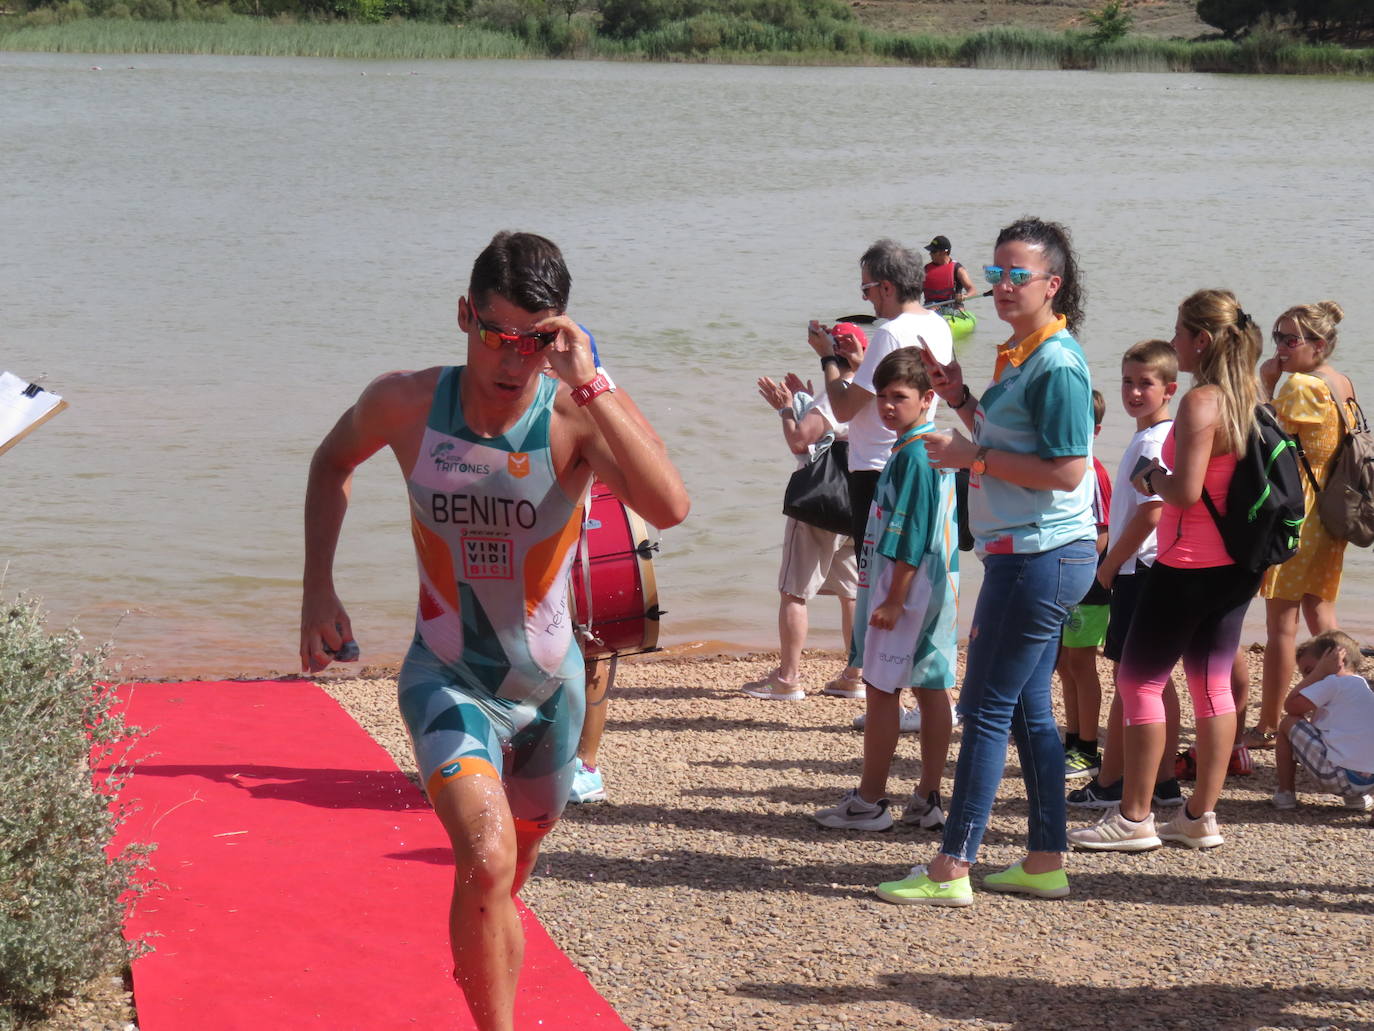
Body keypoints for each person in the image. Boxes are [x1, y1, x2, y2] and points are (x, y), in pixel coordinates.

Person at [299, 231, 689, 1031]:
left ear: (560, 334)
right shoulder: (405, 404)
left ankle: (477, 969)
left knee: (503, 880)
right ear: (464, 315)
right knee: (484, 857)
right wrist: (317, 590)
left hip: (552, 695)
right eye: (497, 336)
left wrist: (593, 382)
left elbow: (670, 506)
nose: (513, 360)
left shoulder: (577, 418)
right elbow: (331, 462)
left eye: (535, 341)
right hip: (447, 676)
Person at [877, 216, 1096, 906]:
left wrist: (971, 456)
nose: (1000, 287)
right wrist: (962, 400)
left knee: (984, 705)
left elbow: (1066, 471)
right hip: (1024, 553)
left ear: (1051, 284)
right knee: (1029, 707)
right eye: (995, 274)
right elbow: (1014, 444)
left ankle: (952, 865)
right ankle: (1043, 858)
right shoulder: (1022, 353)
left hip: (1041, 555)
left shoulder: (1057, 362)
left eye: (1016, 275)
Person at [1069, 289, 1263, 854]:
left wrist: (1150, 478)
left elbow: (1186, 490)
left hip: (1187, 564)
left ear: (1200, 341)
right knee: (1210, 686)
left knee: (1138, 682)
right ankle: (1200, 816)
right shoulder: (1249, 395)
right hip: (1235, 567)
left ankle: (1133, 818)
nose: (1174, 340)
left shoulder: (1203, 401)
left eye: (1179, 332)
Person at [808, 239, 955, 727]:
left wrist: (830, 359)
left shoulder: (892, 331)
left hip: (878, 464)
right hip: (921, 450)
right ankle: (911, 688)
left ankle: (888, 688)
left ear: (887, 286)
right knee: (920, 576)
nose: (867, 298)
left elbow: (847, 406)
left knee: (885, 580)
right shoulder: (935, 322)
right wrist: (858, 360)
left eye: (868, 288)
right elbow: (894, 384)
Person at [812, 348, 957, 832]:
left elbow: (911, 530)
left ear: (927, 399)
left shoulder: (914, 455)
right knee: (932, 686)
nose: (889, 406)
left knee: (880, 689)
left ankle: (871, 801)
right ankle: (928, 798)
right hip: (936, 590)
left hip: (907, 593)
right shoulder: (926, 449)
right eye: (883, 397)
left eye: (901, 397)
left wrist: (894, 598)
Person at [1069, 339, 1184, 811]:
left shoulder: (1155, 440)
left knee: (1130, 679)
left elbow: (1153, 513)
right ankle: (1163, 780)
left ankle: (1113, 780)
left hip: (1141, 568)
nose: (1134, 392)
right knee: (1156, 680)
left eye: (1146, 384)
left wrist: (1111, 563)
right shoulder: (1157, 434)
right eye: (1128, 382)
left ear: (1169, 389)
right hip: (1155, 569)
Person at [1244, 302, 1355, 751]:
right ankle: (1347, 709)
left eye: (1291, 340)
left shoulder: (1303, 387)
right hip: (1332, 515)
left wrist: (1265, 383)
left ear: (1318, 345)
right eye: (1277, 337)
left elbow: (1259, 435)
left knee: (1280, 629)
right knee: (1322, 616)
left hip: (1300, 516)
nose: (1282, 348)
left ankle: (1268, 724)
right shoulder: (1340, 382)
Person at [744, 354, 862, 700]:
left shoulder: (833, 396)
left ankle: (788, 678)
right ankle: (855, 675)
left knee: (794, 591)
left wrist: (785, 409)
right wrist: (807, 402)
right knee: (852, 591)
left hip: (819, 502)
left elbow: (801, 441)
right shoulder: (872, 389)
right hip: (857, 497)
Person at [1058, 389, 1111, 779]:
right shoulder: (1064, 466)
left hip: (1089, 584)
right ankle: (1073, 739)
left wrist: (1084, 570)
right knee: (1064, 663)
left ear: (1094, 429)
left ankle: (1089, 748)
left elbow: (1104, 530)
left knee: (1081, 662)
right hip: (1063, 579)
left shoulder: (1094, 472)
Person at [1272, 630, 1374, 812]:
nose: (1308, 680)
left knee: (1288, 723)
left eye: (1309, 671)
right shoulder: (1363, 686)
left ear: (1333, 660)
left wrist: (1318, 674)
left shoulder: (1333, 682)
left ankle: (1285, 793)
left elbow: (1291, 706)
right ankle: (1356, 798)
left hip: (1336, 777)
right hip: (1368, 781)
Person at [922, 235, 979, 310]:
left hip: (953, 306)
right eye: (930, 251)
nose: (930, 254)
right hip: (931, 307)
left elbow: (973, 290)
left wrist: (964, 296)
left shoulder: (958, 269)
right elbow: (913, 294)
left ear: (944, 252)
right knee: (932, 308)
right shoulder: (925, 270)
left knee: (959, 309)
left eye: (933, 251)